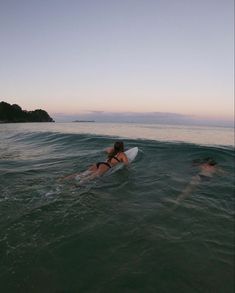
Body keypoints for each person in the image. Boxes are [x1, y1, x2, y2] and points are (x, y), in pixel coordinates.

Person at [62, 141, 129, 181]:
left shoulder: (111, 150)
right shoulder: (122, 154)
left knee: (83, 174)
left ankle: (63, 179)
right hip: (106, 166)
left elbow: (106, 149)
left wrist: (113, 149)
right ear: (121, 147)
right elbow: (126, 164)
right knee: (91, 177)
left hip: (99, 163)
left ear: (114, 146)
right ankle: (76, 186)